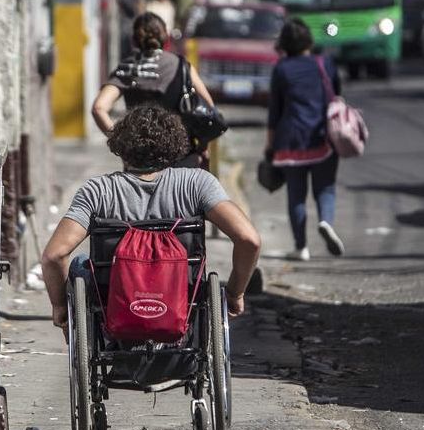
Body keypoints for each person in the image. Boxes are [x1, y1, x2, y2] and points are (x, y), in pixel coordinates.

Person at [42, 105, 261, 343]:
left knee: (80, 264)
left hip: (117, 302)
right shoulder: (198, 184)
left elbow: (54, 255)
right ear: (175, 146)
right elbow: (249, 239)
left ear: (121, 147)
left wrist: (60, 308)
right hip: (179, 299)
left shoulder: (98, 191)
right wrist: (235, 293)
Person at [266, 18, 345, 261]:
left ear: (285, 43)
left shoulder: (281, 69)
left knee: (296, 195)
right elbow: (337, 94)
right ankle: (325, 221)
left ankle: (301, 248)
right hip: (322, 137)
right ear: (309, 40)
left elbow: (274, 112)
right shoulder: (325, 64)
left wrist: (269, 146)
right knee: (326, 187)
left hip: (291, 140)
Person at [92, 12, 214, 168]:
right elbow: (209, 110)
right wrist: (202, 147)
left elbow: (98, 108)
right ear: (165, 37)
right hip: (182, 161)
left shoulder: (128, 68)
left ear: (134, 40)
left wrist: (121, 143)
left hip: (139, 164)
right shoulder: (182, 66)